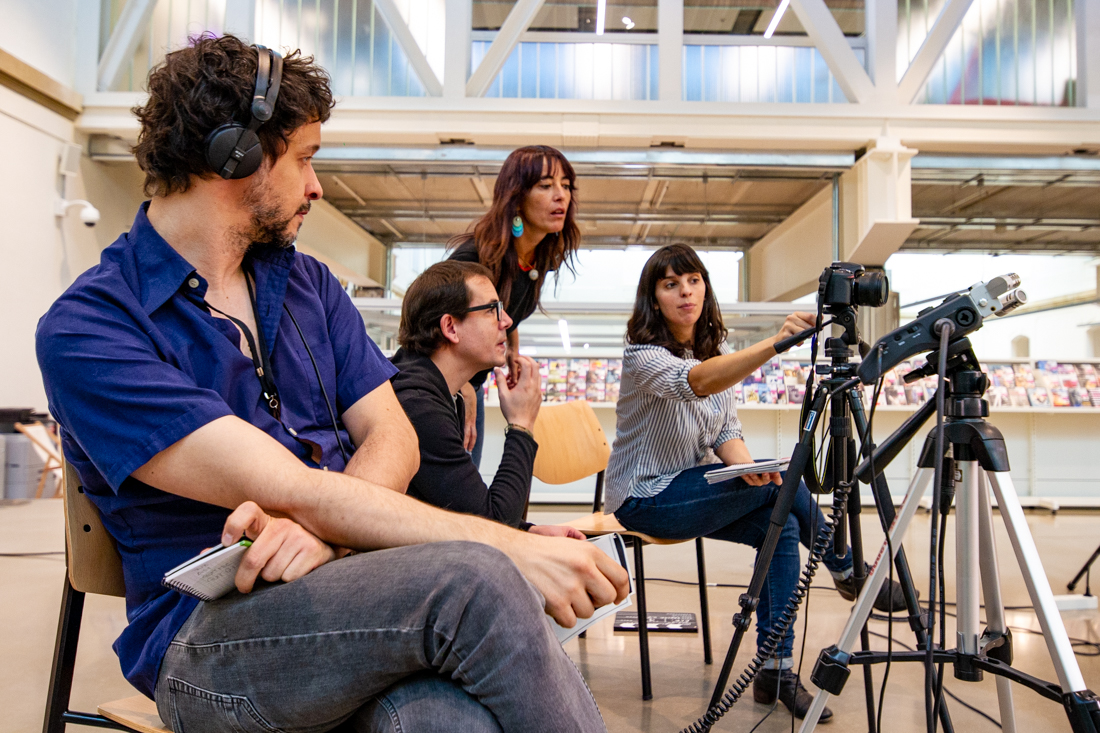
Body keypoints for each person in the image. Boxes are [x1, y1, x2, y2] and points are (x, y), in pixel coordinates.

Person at [36, 35, 627, 733]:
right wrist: (513, 544)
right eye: (307, 158)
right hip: (205, 642)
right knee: (480, 578)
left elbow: (395, 435)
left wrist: (333, 541)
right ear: (238, 154)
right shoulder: (92, 326)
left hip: (345, 598)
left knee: (438, 721)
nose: (317, 185)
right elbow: (291, 486)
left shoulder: (308, 284)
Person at [603, 243, 906, 722]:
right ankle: (847, 569)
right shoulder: (642, 357)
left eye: (694, 280)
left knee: (778, 515)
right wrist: (775, 344)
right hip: (642, 498)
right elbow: (697, 383)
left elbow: (725, 431)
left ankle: (776, 670)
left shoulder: (714, 351)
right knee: (782, 490)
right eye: (670, 284)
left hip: (688, 489)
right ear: (653, 299)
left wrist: (750, 473)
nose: (685, 291)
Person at [390, 259, 583, 538]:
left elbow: (465, 509)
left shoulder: (438, 390)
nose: (506, 321)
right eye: (493, 309)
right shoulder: (419, 405)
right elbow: (492, 529)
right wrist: (521, 425)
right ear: (451, 327)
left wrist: (530, 531)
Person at [447, 145, 580, 468]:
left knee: (467, 494)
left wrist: (512, 353)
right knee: (452, 502)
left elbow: (510, 310)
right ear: (517, 196)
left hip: (471, 385)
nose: (560, 196)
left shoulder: (536, 258)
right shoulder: (475, 260)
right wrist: (461, 386)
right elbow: (426, 327)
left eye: (566, 185)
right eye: (546, 186)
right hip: (446, 388)